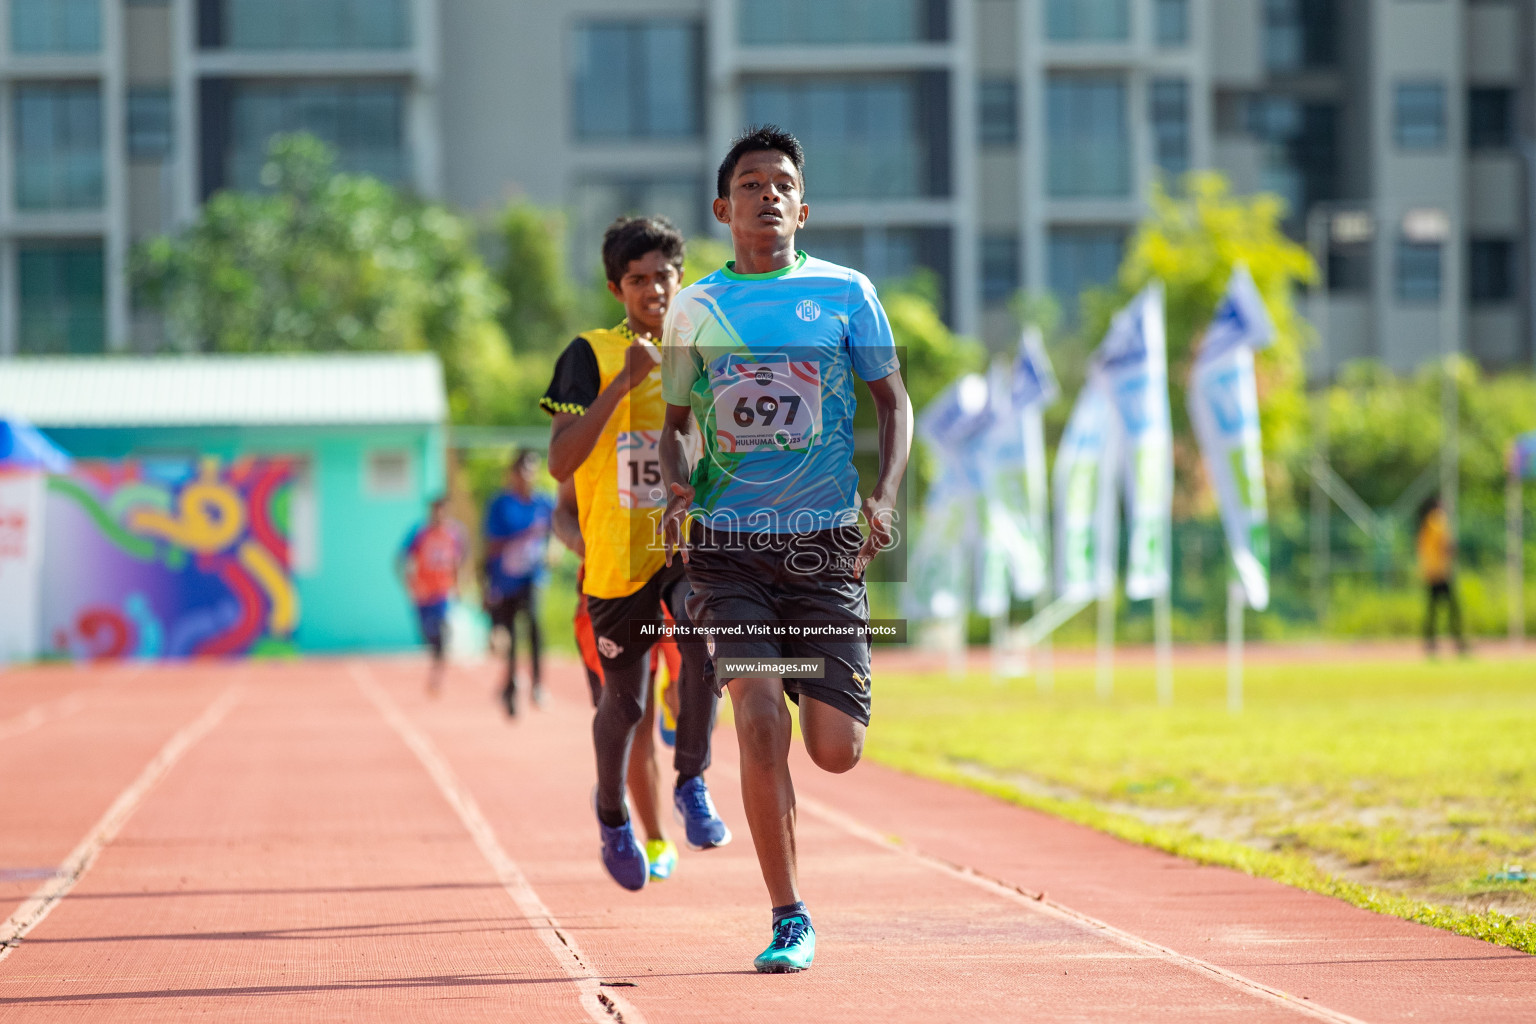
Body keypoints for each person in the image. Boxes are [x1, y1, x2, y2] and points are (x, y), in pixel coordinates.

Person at [657, 125, 911, 973]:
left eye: (783, 183)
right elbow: (675, 426)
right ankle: (788, 915)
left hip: (821, 552)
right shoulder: (696, 306)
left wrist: (884, 495)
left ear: (804, 206)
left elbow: (894, 402)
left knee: (834, 751)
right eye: (751, 183)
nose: (767, 194)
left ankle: (812, 672)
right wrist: (678, 484)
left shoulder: (846, 294)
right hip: (728, 551)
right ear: (723, 208)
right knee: (758, 717)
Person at [542, 215, 731, 892]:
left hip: (683, 547)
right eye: (638, 279)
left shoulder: (705, 351)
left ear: (683, 277)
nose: (654, 289)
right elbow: (560, 461)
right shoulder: (587, 354)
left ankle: (691, 780)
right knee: (625, 705)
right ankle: (613, 815)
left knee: (711, 636)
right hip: (616, 561)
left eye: (665, 275)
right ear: (617, 288)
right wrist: (621, 384)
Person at [554, 477, 684, 881]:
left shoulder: (693, 417)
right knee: (632, 719)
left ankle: (675, 708)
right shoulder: (593, 425)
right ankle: (657, 839)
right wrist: (586, 545)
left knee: (695, 700)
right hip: (613, 590)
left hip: (677, 579)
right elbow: (562, 511)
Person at [482, 450, 555, 715]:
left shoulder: (545, 503)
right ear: (513, 474)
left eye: (533, 468)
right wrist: (487, 584)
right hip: (506, 578)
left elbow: (559, 529)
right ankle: (510, 685)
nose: (528, 474)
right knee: (509, 636)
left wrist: (553, 548)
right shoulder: (500, 505)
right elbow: (491, 544)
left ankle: (537, 683)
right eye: (523, 469)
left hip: (532, 576)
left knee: (534, 621)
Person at [397, 496, 467, 695]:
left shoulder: (454, 534)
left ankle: (437, 676)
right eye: (436, 510)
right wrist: (409, 585)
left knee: (443, 633)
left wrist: (459, 585)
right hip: (423, 594)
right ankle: (436, 657)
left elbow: (457, 562)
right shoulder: (419, 534)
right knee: (428, 637)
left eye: (443, 510)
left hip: (442, 593)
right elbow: (402, 560)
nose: (439, 514)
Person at [1417, 494, 1467, 656]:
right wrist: (1453, 548)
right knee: (1453, 608)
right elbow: (1444, 544)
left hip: (1431, 570)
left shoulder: (1426, 522)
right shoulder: (1437, 519)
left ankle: (1431, 642)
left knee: (1433, 609)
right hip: (1440, 572)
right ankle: (1458, 642)